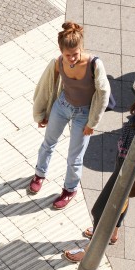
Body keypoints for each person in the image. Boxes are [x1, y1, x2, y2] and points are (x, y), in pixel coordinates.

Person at [64, 100, 135, 262]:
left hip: (128, 172)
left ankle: (88, 253)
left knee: (101, 211)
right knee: (121, 202)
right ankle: (113, 234)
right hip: (123, 165)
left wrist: (133, 168)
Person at [30, 22, 111, 210]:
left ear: (81, 48)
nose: (72, 58)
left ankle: (70, 189)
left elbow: (104, 93)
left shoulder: (94, 64)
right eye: (68, 55)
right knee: (48, 143)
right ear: (61, 51)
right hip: (62, 106)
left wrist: (93, 122)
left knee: (75, 156)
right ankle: (39, 174)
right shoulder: (58, 62)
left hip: (84, 114)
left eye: (76, 53)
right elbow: (46, 87)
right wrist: (43, 113)